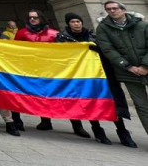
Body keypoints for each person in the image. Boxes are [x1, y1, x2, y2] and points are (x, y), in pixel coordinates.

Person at [58, 12, 137, 147]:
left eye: (78, 21)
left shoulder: (94, 35)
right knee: (90, 101)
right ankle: (98, 130)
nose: (76, 24)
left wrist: (98, 49)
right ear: (68, 24)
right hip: (82, 76)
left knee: (112, 101)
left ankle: (123, 132)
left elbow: (108, 49)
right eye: (72, 22)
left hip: (103, 73)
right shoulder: (62, 38)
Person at [96, 0, 148, 138]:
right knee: (142, 107)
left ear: (123, 10)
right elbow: (108, 49)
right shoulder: (103, 28)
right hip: (128, 73)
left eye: (115, 8)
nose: (112, 11)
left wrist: (145, 65)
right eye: (108, 9)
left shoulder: (142, 24)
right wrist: (128, 66)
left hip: (146, 67)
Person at [15, 9, 58, 131]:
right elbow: (15, 50)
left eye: (35, 17)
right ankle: (45, 120)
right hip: (30, 69)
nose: (32, 19)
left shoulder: (54, 33)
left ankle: (77, 125)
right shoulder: (21, 33)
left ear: (41, 18)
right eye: (30, 18)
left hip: (51, 68)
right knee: (37, 94)